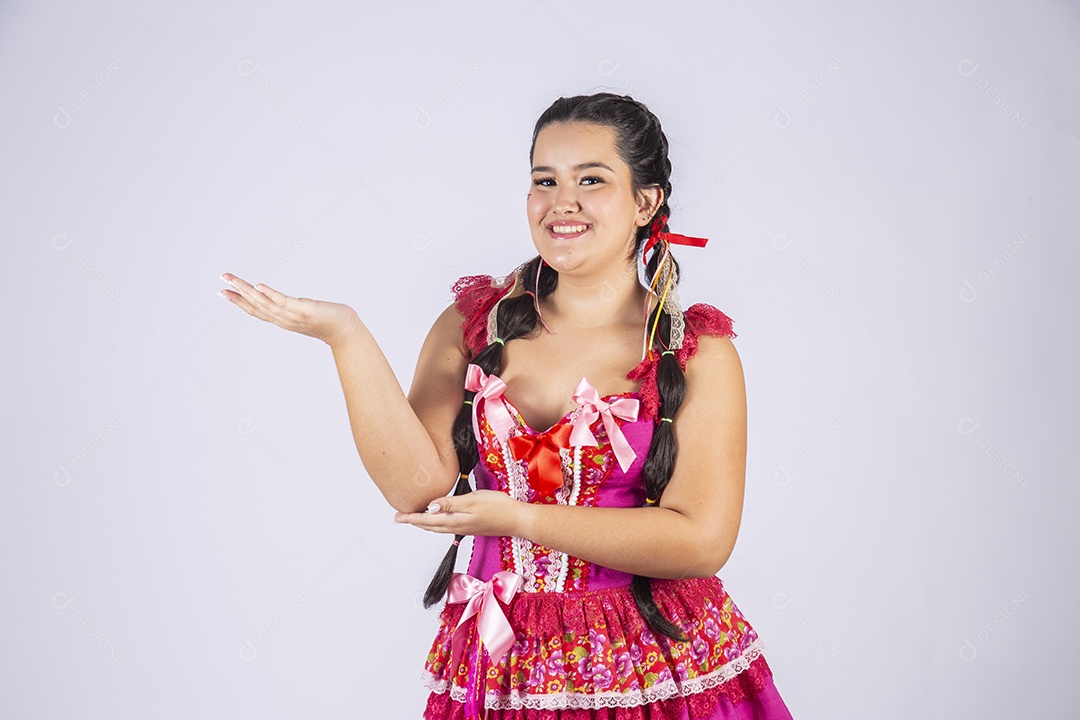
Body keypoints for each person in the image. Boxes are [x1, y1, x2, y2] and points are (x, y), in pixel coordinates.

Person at [219, 92, 793, 719]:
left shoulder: (694, 353)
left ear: (645, 202)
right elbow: (417, 488)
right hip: (504, 658)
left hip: (653, 661)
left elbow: (701, 542)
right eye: (544, 180)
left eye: (591, 180)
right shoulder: (476, 325)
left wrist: (518, 518)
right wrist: (346, 337)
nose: (561, 202)